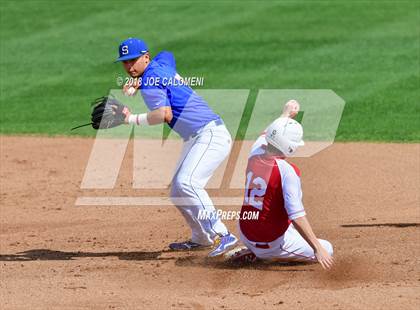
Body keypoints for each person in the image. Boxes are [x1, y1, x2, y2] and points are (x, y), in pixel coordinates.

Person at [115, 37, 238, 257]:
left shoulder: (150, 80)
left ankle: (223, 234)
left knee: (187, 183)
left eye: (133, 60)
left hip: (210, 135)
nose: (129, 66)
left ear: (145, 57)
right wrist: (140, 80)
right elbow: (168, 54)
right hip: (197, 137)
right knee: (177, 191)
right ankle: (201, 237)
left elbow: (164, 114)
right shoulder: (159, 66)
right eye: (125, 62)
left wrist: (130, 119)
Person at [229, 101, 334, 269]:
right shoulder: (287, 171)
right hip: (268, 242)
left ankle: (255, 249)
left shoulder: (254, 153)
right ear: (290, 146)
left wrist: (285, 115)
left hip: (245, 231)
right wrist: (318, 248)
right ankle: (262, 256)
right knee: (328, 247)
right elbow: (296, 215)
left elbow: (267, 134)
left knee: (278, 214)